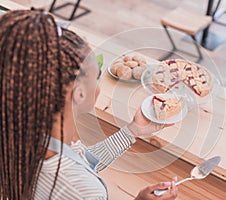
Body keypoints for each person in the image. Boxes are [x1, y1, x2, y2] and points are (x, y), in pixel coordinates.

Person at [0, 9, 177, 199]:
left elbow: (83, 162)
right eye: (97, 75)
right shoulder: (84, 192)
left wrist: (132, 131)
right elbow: (77, 179)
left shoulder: (21, 137)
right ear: (79, 93)